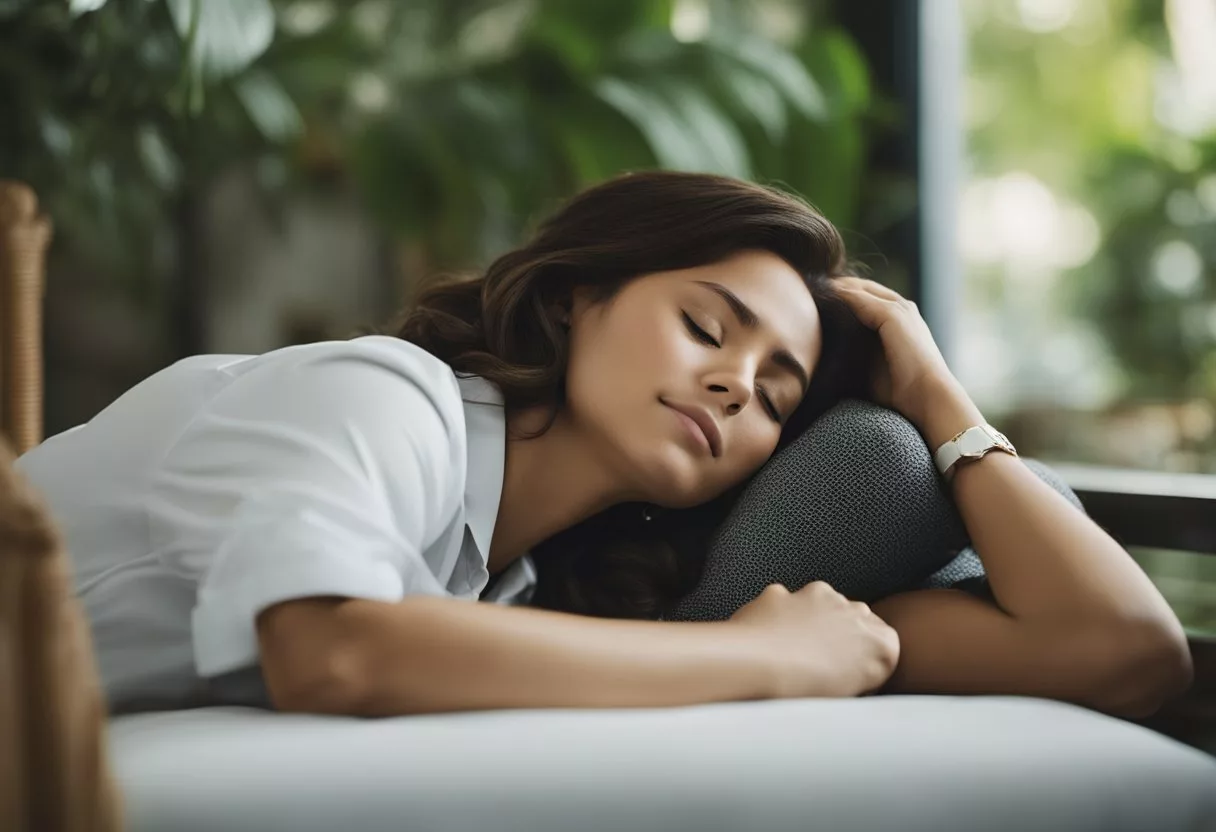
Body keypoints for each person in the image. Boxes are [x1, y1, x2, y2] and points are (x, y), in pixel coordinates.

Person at [14, 171, 1191, 719]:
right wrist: (760, 661)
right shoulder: (381, 397)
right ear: (577, 296)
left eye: (777, 393)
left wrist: (938, 400)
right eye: (704, 327)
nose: (737, 382)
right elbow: (333, 651)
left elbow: (1125, 650)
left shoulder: (543, 592)